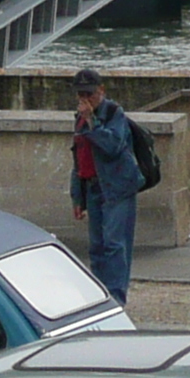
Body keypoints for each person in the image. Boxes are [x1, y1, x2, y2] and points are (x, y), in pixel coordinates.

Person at [70, 65, 140, 301]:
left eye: (89, 94)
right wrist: (77, 197)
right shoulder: (79, 119)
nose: (85, 100)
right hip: (92, 186)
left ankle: (117, 298)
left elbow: (112, 146)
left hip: (117, 187)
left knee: (114, 244)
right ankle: (100, 296)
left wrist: (93, 124)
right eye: (81, 95)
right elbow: (78, 159)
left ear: (101, 90)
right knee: (97, 247)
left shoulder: (113, 114)